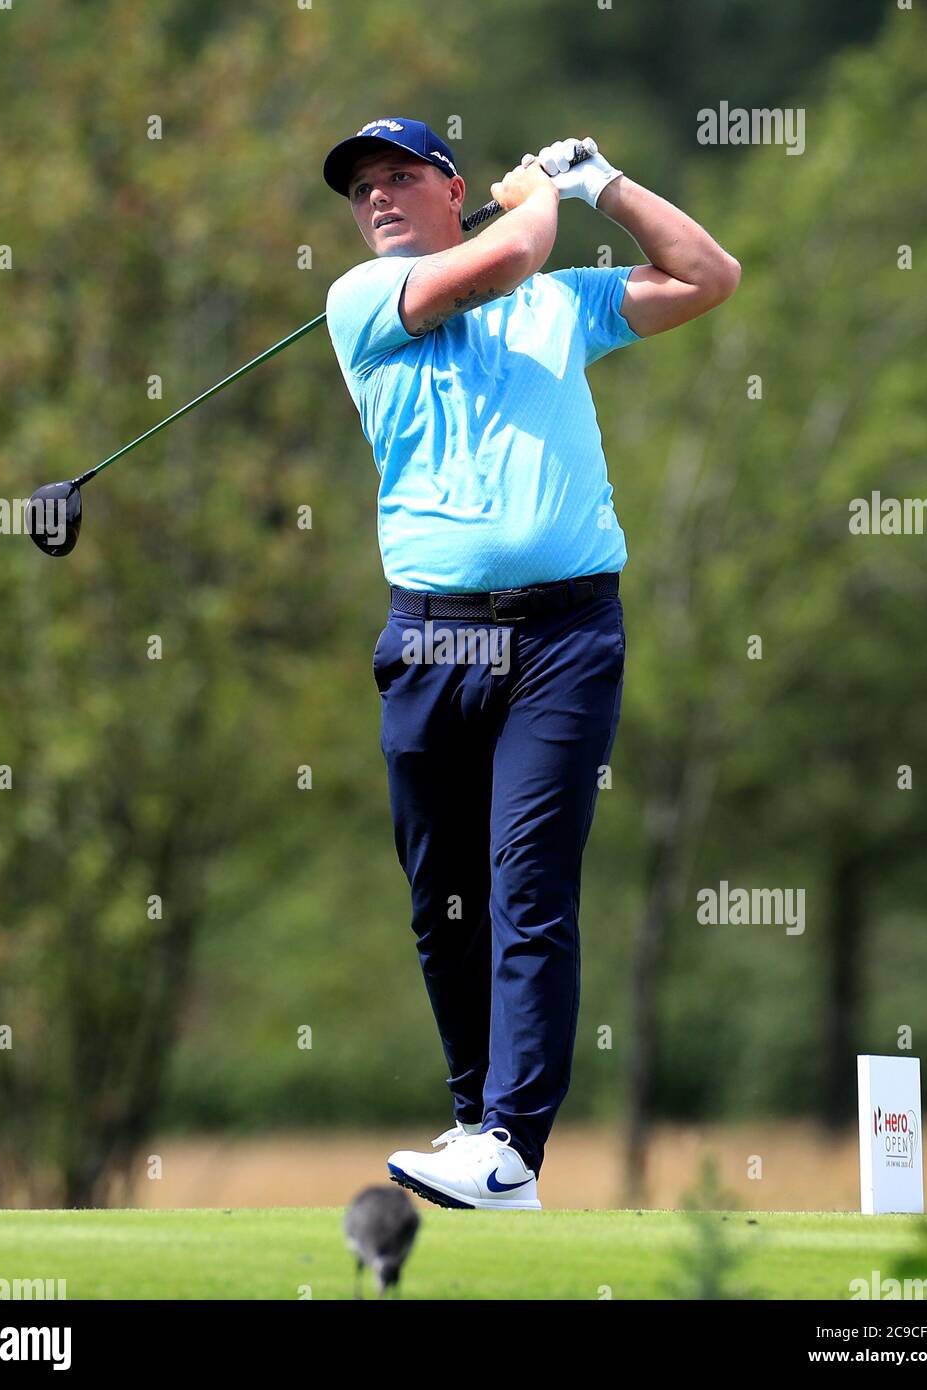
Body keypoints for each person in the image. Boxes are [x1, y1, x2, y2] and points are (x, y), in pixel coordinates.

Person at [322, 118, 740, 1210]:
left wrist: (601, 183)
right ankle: (471, 1118)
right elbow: (510, 253)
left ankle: (509, 1144)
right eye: (360, 187)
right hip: (432, 634)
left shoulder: (556, 303)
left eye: (399, 177)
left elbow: (706, 275)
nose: (375, 198)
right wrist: (531, 202)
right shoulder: (359, 302)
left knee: (530, 884)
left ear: (448, 188)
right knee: (442, 898)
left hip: (564, 635)